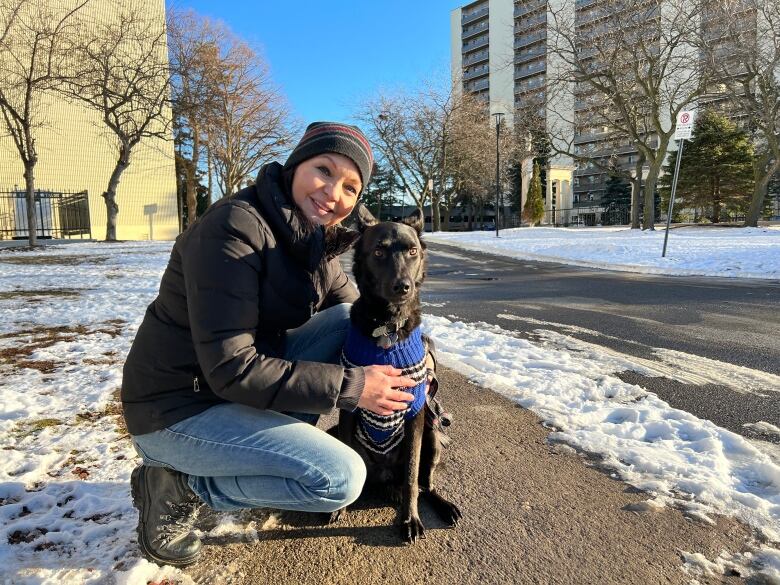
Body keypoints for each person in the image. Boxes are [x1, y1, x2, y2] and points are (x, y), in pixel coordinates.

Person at [121, 122, 421, 567]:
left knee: (343, 321)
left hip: (228, 392)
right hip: (176, 410)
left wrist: (415, 354)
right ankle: (178, 487)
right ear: (296, 165)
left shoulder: (308, 240)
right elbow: (233, 368)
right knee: (338, 479)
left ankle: (250, 460)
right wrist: (354, 387)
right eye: (324, 169)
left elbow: (355, 312)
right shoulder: (232, 229)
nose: (333, 192)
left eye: (351, 187)